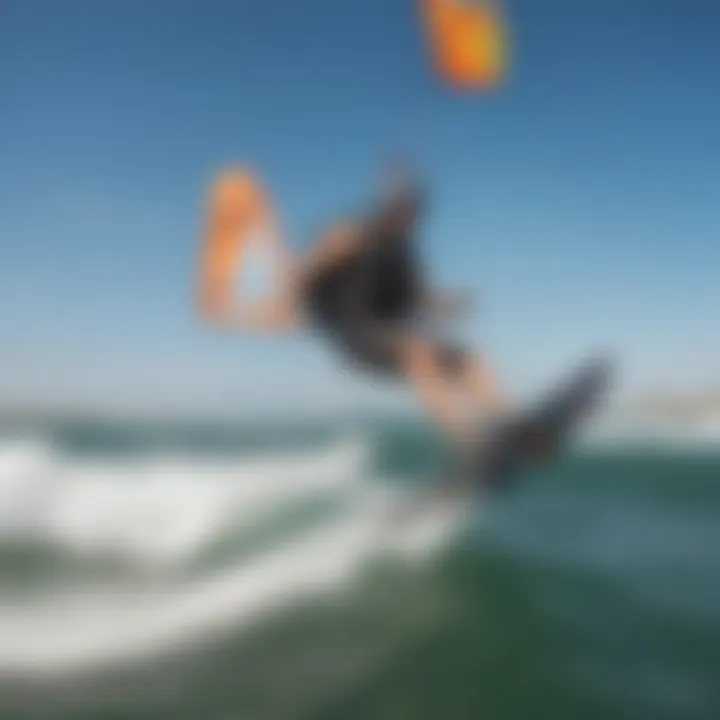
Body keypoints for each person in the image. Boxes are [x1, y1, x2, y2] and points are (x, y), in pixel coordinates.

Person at [200, 166, 506, 452]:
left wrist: (454, 304)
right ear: (388, 208)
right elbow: (305, 271)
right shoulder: (351, 233)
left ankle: (508, 427)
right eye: (401, 209)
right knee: (419, 354)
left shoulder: (404, 255)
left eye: (412, 212)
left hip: (389, 334)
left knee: (471, 361)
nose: (408, 219)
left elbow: (425, 300)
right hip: (356, 335)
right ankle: (470, 444)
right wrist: (272, 306)